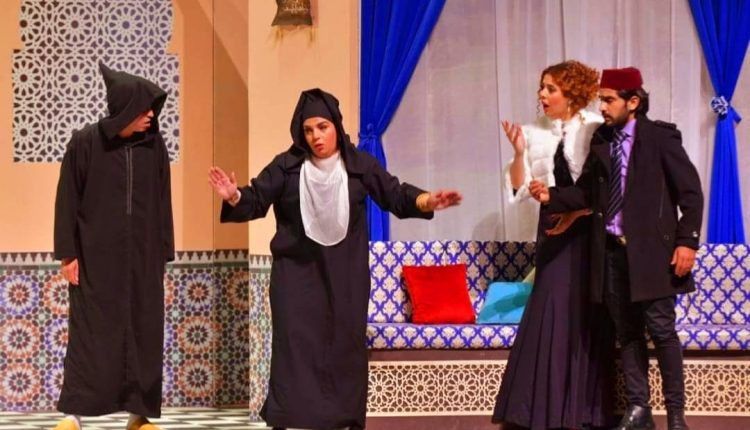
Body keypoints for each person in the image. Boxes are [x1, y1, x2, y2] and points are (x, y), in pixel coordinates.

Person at [208, 88, 462, 430]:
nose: (316, 136)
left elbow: (395, 195)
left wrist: (427, 200)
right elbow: (255, 199)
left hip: (346, 277)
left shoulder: (360, 166)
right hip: (295, 277)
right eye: (308, 130)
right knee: (293, 348)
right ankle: (285, 419)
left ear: (336, 126)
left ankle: (346, 419)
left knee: (345, 347)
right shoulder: (286, 166)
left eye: (322, 127)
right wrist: (234, 196)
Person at [530, 67, 703, 430]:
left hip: (654, 256)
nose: (603, 108)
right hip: (611, 254)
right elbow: (587, 193)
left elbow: (691, 193)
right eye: (601, 100)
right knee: (627, 333)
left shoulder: (660, 139)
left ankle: (676, 415)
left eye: (609, 100)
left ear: (633, 102)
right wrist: (550, 196)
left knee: (662, 331)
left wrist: (687, 242)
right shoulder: (603, 140)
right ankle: (640, 409)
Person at [492, 60, 615, 430]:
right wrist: (519, 153)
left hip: (588, 232)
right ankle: (539, 411)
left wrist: (576, 212)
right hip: (554, 232)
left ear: (571, 94)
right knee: (550, 310)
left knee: (583, 313)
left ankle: (581, 412)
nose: (542, 95)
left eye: (551, 89)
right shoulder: (534, 132)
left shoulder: (595, 128)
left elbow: (604, 189)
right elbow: (517, 188)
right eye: (541, 88)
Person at [53, 63, 174, 430]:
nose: (151, 115)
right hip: (94, 261)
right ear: (125, 107)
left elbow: (163, 201)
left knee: (143, 334)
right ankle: (73, 416)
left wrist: (163, 255)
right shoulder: (85, 143)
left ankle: (139, 416)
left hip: (143, 261)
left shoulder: (154, 146)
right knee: (90, 335)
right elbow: (67, 199)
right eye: (145, 108)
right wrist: (68, 254)